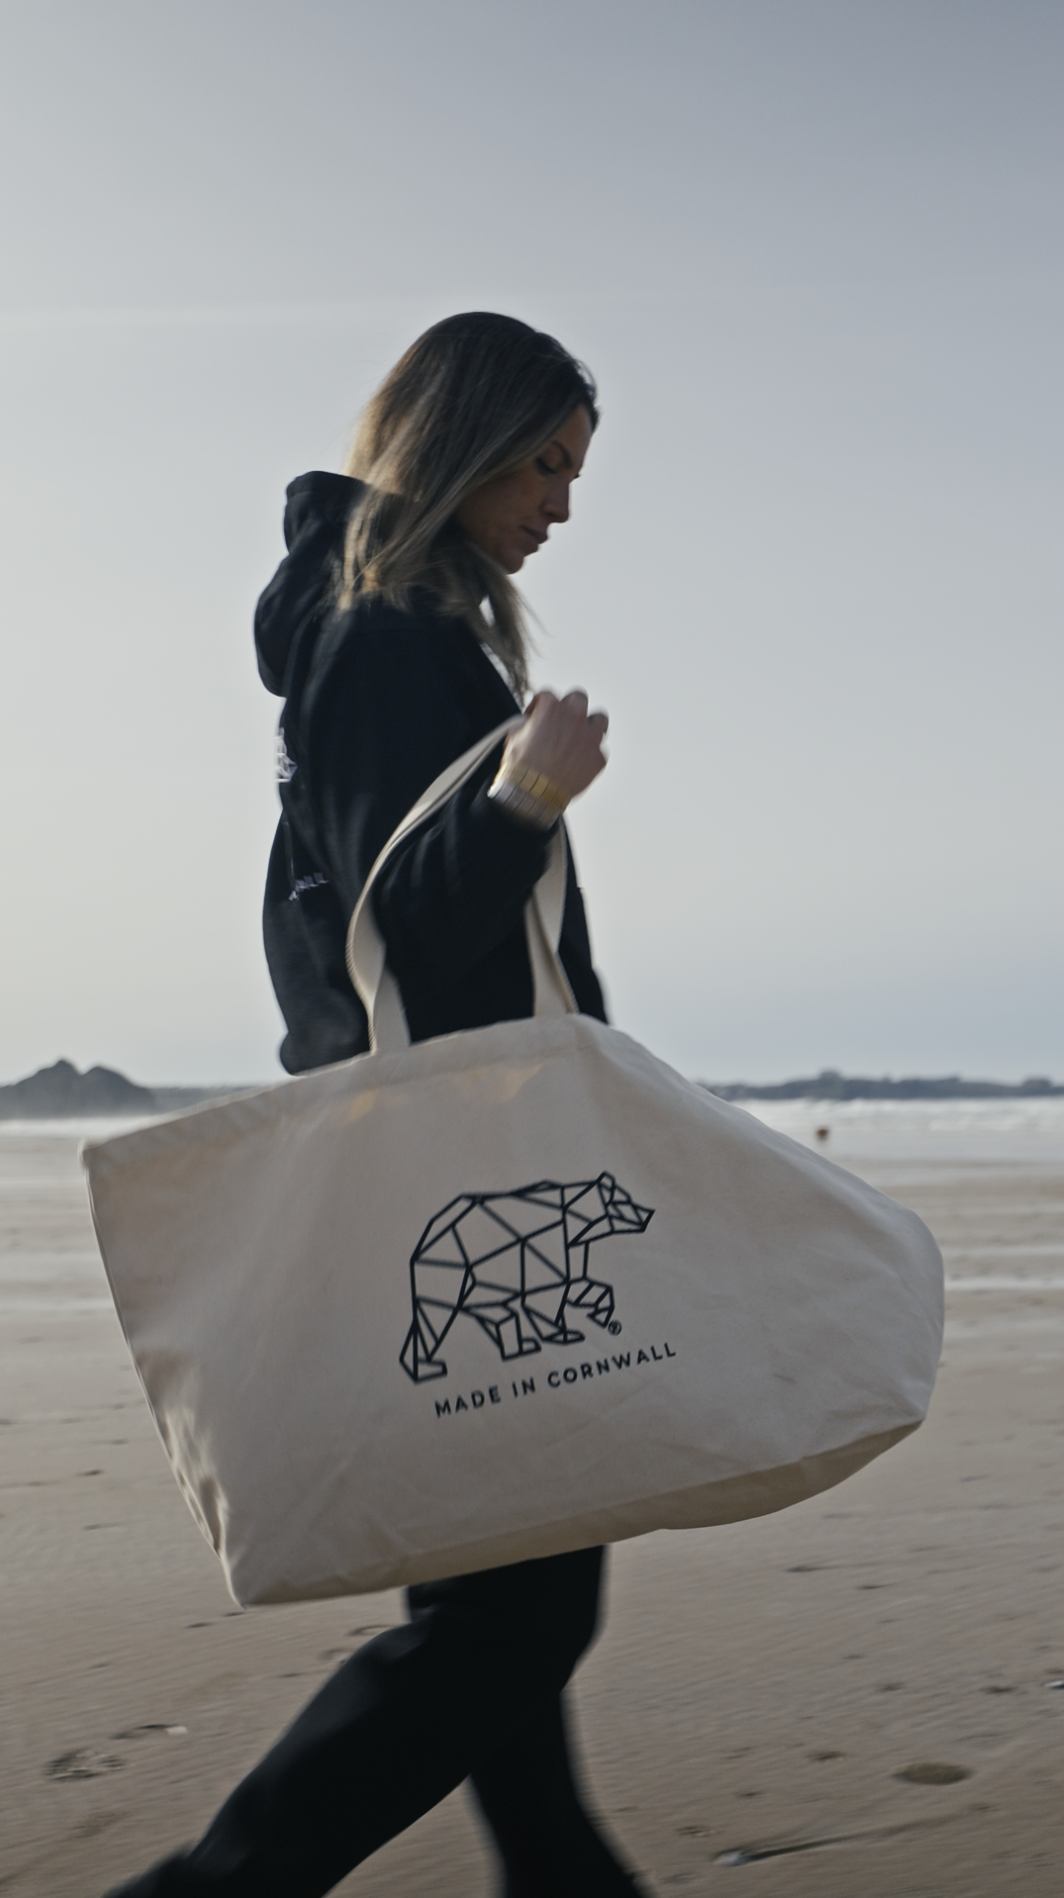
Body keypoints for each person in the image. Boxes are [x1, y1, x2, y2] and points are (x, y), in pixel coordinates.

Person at [104, 312, 644, 1898]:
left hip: (447, 1176)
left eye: (574, 471)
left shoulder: (383, 633)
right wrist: (529, 794)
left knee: (493, 1604)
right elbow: (405, 925)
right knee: (516, 1616)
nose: (561, 503)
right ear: (466, 444)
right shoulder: (391, 641)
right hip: (463, 1183)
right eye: (544, 464)